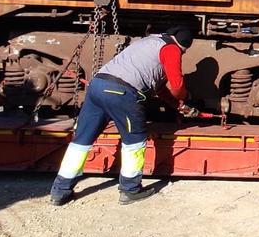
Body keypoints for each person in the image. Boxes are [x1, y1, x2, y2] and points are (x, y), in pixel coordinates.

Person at [49, 26, 195, 205]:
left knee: (81, 140)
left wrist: (176, 105)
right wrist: (184, 98)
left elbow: (158, 88)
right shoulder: (171, 48)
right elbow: (177, 86)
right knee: (135, 140)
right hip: (122, 93)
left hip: (97, 86)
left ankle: (60, 191)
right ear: (183, 45)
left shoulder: (148, 42)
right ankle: (130, 190)